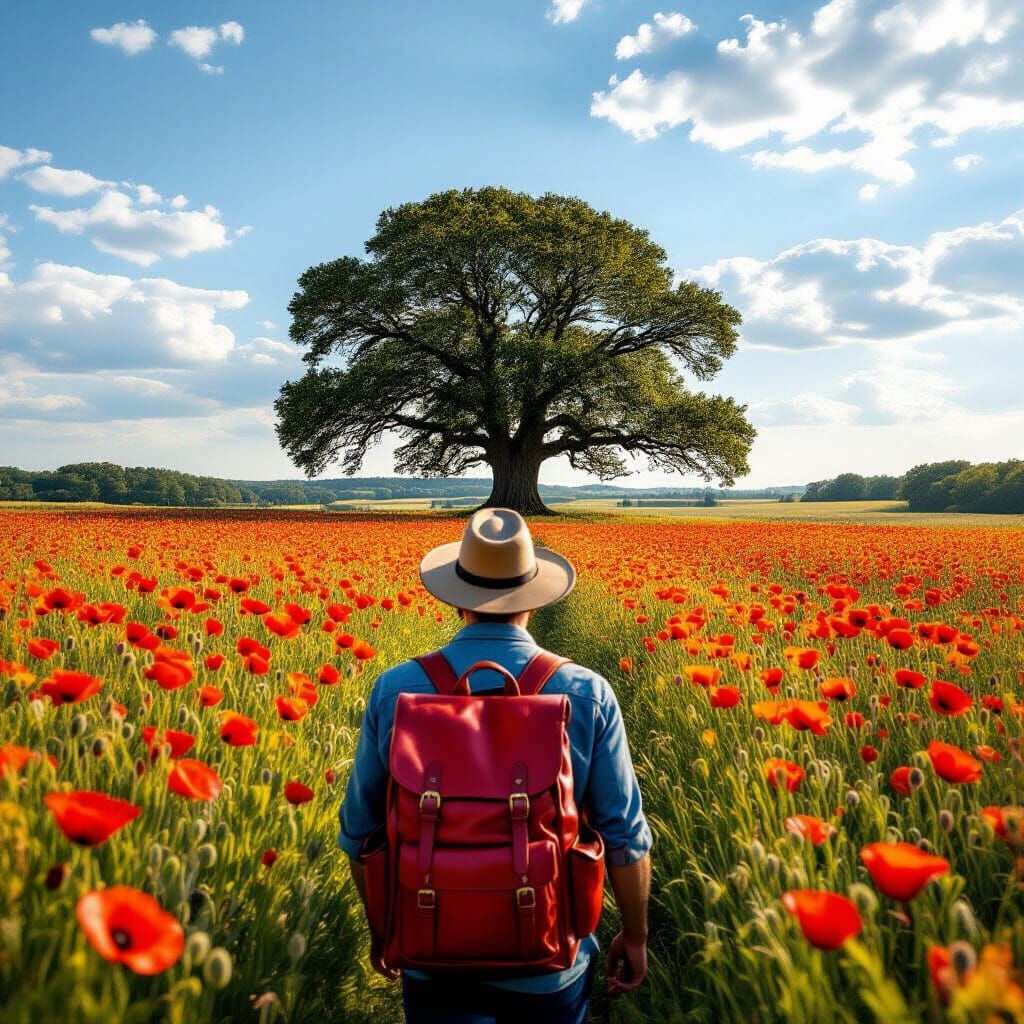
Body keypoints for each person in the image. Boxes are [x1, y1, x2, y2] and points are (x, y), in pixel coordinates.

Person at [339, 508, 653, 1023]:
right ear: (532, 600)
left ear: (456, 598)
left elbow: (360, 832)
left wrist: (386, 930)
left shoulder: (396, 689)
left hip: (429, 948)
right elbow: (623, 835)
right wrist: (635, 936)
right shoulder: (587, 691)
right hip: (551, 959)